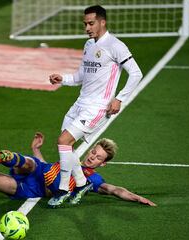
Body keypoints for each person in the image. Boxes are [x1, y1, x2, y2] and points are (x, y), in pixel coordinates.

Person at [48, 5, 143, 207]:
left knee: (63, 141)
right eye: (85, 24)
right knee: (67, 147)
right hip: (80, 103)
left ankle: (63, 189)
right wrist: (62, 79)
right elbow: (81, 76)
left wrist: (119, 98)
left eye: (91, 23)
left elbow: (136, 73)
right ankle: (82, 183)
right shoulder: (88, 45)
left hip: (98, 107)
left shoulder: (116, 45)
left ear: (102, 22)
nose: (87, 28)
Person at [0, 132, 156, 207]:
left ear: (103, 163)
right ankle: (5, 156)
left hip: (29, 188)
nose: (92, 156)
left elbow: (115, 190)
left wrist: (138, 198)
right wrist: (36, 149)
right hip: (35, 169)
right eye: (94, 151)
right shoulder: (69, 158)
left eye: (98, 158)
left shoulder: (92, 178)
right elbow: (45, 167)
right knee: (32, 162)